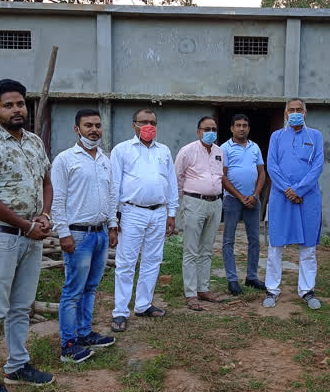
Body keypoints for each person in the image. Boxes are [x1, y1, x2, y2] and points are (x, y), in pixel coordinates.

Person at [0, 79, 54, 392]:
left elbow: (47, 182)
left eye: (21, 104)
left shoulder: (34, 142)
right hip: (2, 238)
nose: (17, 109)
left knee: (21, 307)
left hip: (31, 239)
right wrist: (25, 224)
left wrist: (44, 216)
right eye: (9, 105)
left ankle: (18, 364)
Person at [51, 109, 117, 364]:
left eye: (98, 125)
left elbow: (111, 195)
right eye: (88, 125)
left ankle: (85, 333)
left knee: (91, 287)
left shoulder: (104, 158)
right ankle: (68, 344)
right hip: (77, 235)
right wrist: (63, 233)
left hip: (100, 233)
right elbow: (57, 199)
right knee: (73, 289)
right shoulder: (65, 160)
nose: (94, 130)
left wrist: (112, 226)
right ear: (76, 129)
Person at [110, 109, 178, 332]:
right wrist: (114, 217)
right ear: (134, 125)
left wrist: (171, 212)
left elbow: (171, 182)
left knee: (152, 260)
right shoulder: (122, 150)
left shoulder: (164, 151)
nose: (148, 126)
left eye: (152, 122)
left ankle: (143, 304)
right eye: (143, 122)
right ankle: (120, 311)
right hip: (132, 212)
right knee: (126, 262)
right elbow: (114, 185)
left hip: (158, 212)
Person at [263, 98, 324, 310]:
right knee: (275, 245)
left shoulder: (315, 136)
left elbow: (317, 167)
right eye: (292, 110)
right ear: (286, 113)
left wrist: (298, 190)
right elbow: (272, 165)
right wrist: (288, 190)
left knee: (308, 248)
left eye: (299, 109)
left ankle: (307, 290)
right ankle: (272, 289)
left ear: (305, 113)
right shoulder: (277, 136)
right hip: (281, 197)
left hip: (307, 198)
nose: (295, 113)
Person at [175, 116, 224, 311]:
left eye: (213, 128)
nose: (210, 132)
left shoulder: (220, 152)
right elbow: (177, 177)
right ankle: (191, 293)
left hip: (215, 203)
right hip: (194, 202)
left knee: (207, 249)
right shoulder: (187, 151)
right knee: (191, 249)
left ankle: (203, 288)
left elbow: (220, 176)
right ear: (198, 131)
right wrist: (182, 202)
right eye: (206, 129)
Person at [220, 114, 266, 296]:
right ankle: (232, 280)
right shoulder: (224, 148)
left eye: (245, 125)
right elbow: (222, 176)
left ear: (249, 128)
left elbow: (262, 173)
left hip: (253, 200)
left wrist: (255, 195)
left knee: (254, 240)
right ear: (231, 128)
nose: (241, 128)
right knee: (228, 240)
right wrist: (240, 196)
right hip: (232, 200)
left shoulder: (255, 147)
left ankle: (252, 277)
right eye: (238, 125)